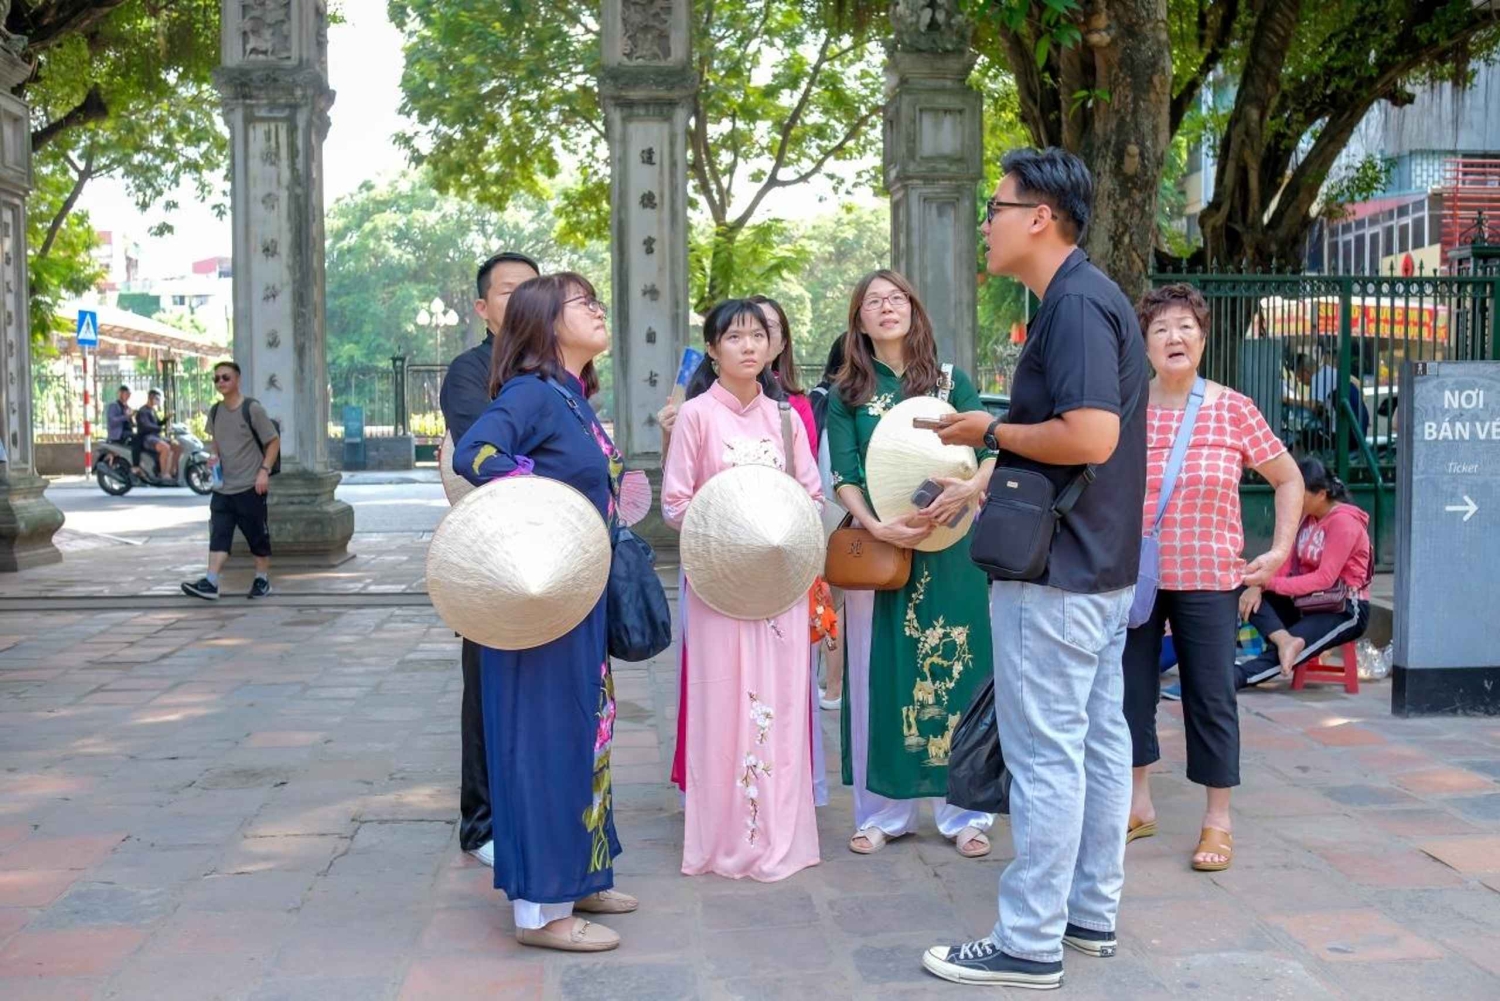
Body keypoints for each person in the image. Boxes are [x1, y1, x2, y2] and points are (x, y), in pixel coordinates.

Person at [925, 147, 1148, 988]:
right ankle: (1088, 914)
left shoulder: (1077, 304)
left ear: (1039, 217)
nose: (987, 221)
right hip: (1092, 562)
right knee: (1091, 744)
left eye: (996, 205)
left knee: (1048, 754)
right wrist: (986, 463)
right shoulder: (1082, 298)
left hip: (1058, 573)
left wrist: (986, 429)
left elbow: (1090, 437)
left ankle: (1027, 942)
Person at [452, 272, 636, 953]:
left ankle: (584, 873)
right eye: (584, 302)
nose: (598, 310)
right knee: (545, 742)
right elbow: (478, 452)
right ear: (547, 322)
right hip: (538, 600)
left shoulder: (573, 396)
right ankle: (542, 910)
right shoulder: (531, 392)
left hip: (576, 593)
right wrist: (541, 500)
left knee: (587, 736)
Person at [1119, 284, 1303, 874]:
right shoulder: (1125, 405)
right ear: (1144, 344)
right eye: (1161, 329)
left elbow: (1289, 478)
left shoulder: (1233, 408)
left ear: (1203, 338)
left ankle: (1217, 819)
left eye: (1185, 327)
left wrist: (1277, 552)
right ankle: (1137, 802)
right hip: (1137, 578)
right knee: (1129, 693)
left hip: (1209, 577)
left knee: (1212, 696)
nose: (1174, 338)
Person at [825, 269, 998, 861]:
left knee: (963, 667)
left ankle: (968, 811)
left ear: (914, 309)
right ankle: (882, 813)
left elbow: (994, 447)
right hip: (885, 549)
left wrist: (972, 487)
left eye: (896, 298)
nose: (886, 307)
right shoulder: (848, 392)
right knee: (880, 671)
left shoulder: (952, 381)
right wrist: (876, 526)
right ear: (860, 320)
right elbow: (843, 474)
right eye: (873, 301)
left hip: (954, 547)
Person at [662, 299, 823, 881]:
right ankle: (724, 839)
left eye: (758, 335)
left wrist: (777, 528)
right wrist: (728, 529)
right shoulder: (697, 418)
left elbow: (813, 496)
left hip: (779, 584)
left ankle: (779, 835)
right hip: (718, 583)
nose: (749, 346)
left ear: (772, 347)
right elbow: (675, 503)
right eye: (734, 337)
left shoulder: (785, 418)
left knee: (780, 705)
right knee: (721, 702)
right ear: (712, 349)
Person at [437, 249, 540, 870]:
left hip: (560, 549)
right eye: (507, 291)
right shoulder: (469, 371)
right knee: (489, 687)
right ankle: (481, 825)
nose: (522, 300)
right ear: (482, 307)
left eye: (533, 289)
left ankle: (538, 806)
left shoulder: (558, 371)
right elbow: (481, 455)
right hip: (494, 549)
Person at [1237, 457, 1372, 688]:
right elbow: (1284, 565)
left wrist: (1267, 584)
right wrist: (1257, 585)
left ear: (1320, 494)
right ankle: (1283, 639)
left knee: (1292, 647)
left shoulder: (1344, 523)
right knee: (1240, 587)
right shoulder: (1305, 518)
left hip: (1343, 609)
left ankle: (1227, 680)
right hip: (1307, 603)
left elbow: (1324, 579)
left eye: (1301, 492)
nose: (1294, 498)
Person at [181, 362, 279, 601]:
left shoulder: (252, 409)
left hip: (250, 486)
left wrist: (264, 471)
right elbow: (216, 440)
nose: (220, 382)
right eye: (216, 379)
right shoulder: (215, 411)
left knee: (257, 536)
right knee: (219, 535)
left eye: (225, 377)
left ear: (237, 380)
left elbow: (273, 441)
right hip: (223, 488)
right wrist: (213, 457)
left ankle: (262, 579)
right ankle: (211, 582)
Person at [134, 389, 174, 479]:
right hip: (147, 438)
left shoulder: (152, 410)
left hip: (155, 436)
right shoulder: (143, 411)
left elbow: (156, 423)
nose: (158, 401)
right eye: (156, 398)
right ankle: (163, 474)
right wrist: (159, 428)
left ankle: (171, 471)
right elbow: (146, 426)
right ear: (151, 398)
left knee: (175, 444)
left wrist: (166, 419)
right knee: (165, 448)